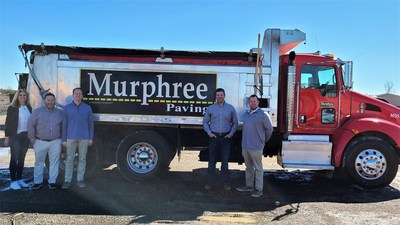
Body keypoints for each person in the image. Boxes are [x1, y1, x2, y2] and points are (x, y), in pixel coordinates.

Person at [236, 95, 273, 197]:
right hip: (245, 146)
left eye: (254, 101)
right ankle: (249, 186)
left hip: (256, 146)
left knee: (258, 168)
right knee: (248, 167)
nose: (252, 103)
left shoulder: (263, 114)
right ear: (249, 103)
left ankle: (258, 189)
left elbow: (269, 130)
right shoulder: (245, 115)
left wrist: (263, 141)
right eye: (251, 101)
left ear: (258, 103)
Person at [203, 88, 238, 191]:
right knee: (212, 161)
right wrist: (209, 133)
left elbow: (235, 122)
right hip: (214, 137)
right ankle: (209, 183)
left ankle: (226, 184)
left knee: (225, 162)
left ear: (224, 95)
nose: (219, 96)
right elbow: (205, 122)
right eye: (218, 95)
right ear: (215, 96)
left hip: (226, 138)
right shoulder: (211, 108)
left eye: (221, 95)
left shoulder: (230, 108)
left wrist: (231, 134)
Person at [27, 93, 63, 190]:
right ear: (44, 101)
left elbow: (63, 126)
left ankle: (52, 182)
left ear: (54, 101)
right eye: (48, 100)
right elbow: (30, 125)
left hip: (55, 141)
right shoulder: (37, 112)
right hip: (40, 141)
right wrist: (32, 139)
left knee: (54, 162)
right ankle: (38, 182)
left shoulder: (59, 113)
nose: (50, 102)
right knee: (39, 162)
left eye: (52, 100)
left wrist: (62, 139)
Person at [61, 87, 94, 189]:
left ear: (82, 96)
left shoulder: (87, 108)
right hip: (70, 138)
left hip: (84, 138)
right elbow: (64, 125)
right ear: (73, 95)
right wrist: (64, 139)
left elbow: (91, 124)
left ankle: (80, 180)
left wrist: (90, 138)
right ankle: (67, 180)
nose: (78, 95)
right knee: (69, 159)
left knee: (82, 159)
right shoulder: (67, 108)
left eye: (80, 93)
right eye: (76, 93)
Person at [4, 89, 32, 190]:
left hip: (26, 137)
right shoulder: (12, 108)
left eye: (24, 95)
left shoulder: (28, 107)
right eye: (20, 95)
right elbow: (8, 124)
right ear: (17, 96)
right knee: (14, 158)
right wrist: (7, 137)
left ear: (26, 97)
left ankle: (19, 179)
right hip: (15, 137)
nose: (22, 97)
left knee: (21, 159)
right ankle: (13, 181)